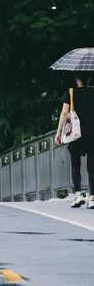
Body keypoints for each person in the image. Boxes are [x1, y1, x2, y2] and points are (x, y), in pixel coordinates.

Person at [55, 74, 94, 209]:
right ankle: (92, 197)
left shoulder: (70, 92)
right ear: (89, 79)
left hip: (75, 134)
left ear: (77, 79)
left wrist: (58, 132)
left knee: (75, 165)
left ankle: (78, 195)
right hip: (92, 134)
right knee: (92, 167)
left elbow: (64, 113)